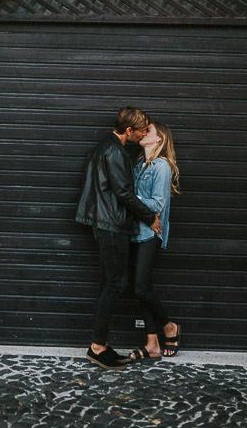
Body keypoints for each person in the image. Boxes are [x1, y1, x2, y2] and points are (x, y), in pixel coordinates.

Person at [75, 106, 162, 369]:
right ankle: (98, 346)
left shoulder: (107, 147)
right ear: (128, 131)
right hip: (110, 224)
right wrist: (151, 217)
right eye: (141, 131)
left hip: (107, 223)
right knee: (114, 284)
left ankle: (100, 343)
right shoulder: (114, 152)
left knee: (111, 283)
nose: (143, 134)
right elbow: (124, 193)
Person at [129, 121, 181, 359]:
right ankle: (152, 343)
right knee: (142, 288)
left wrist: (131, 198)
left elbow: (157, 204)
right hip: (135, 231)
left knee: (140, 287)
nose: (143, 132)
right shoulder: (139, 164)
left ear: (159, 139)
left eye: (148, 130)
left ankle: (169, 326)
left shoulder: (161, 166)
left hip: (151, 233)